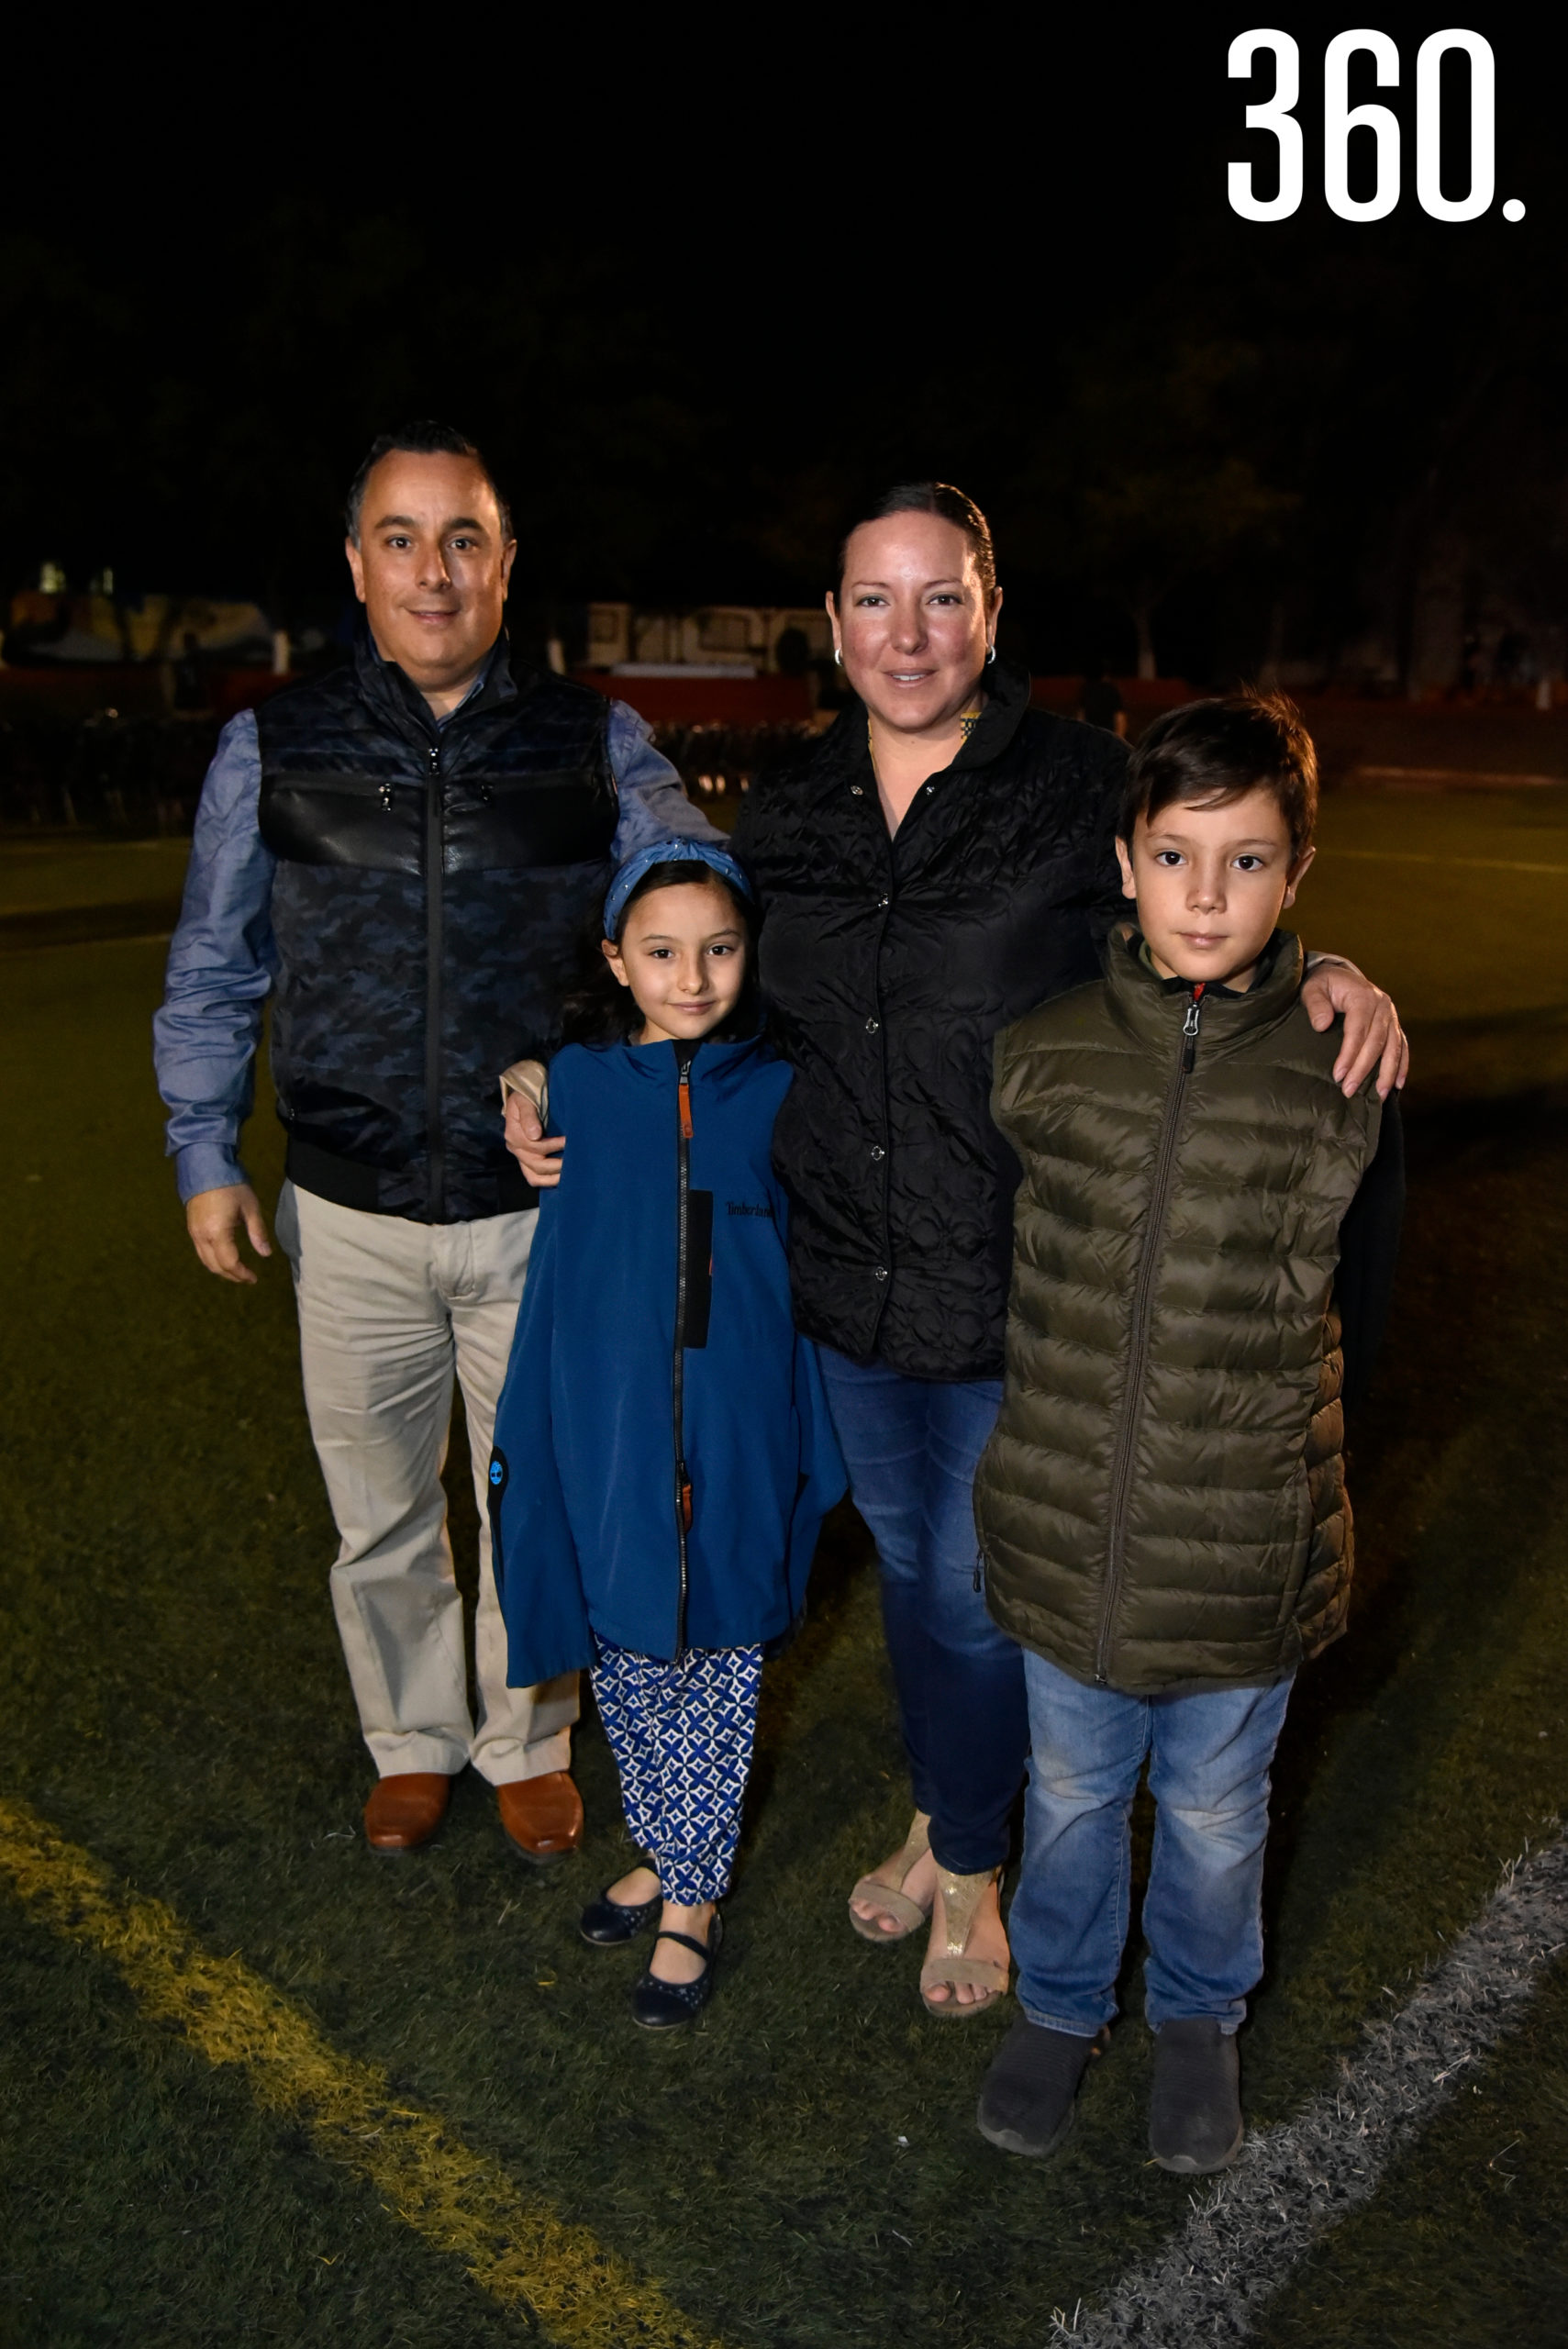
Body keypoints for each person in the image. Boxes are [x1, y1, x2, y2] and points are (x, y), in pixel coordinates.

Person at [508, 484, 1407, 2014]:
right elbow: (697, 979)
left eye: (940, 597)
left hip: (1024, 1283)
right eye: (873, 598)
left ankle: (971, 1864)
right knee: (919, 1571)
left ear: (991, 609)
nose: (906, 632)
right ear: (834, 620)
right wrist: (550, 1074)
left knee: (980, 1591)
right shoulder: (788, 807)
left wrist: (1327, 972)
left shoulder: (1073, 784)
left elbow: (1202, 882)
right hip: (840, 1280)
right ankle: (948, 1814)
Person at [152, 419, 719, 1861]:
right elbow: (216, 965)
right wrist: (203, 1151)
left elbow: (691, 884)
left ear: (506, 566)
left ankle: (524, 1733)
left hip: (540, 1208)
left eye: (462, 537)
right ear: (355, 565)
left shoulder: (593, 740)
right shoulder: (269, 742)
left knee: (533, 1499)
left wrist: (613, 1036)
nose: (431, 569)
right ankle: (410, 1736)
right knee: (380, 1514)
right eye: (399, 538)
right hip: (346, 1210)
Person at [971, 693, 1403, 2170]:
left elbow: (1372, 1305)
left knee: (1215, 1810)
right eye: (1173, 855)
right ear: (1123, 859)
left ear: (1295, 877)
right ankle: (1063, 1999)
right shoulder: (1041, 1053)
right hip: (1066, 1525)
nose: (1205, 895)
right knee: (1075, 1790)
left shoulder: (1345, 1075)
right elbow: (1005, 1285)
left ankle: (1197, 2018)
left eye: (1246, 861)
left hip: (1237, 1544)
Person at [488, 841, 844, 2027]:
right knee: (632, 1641)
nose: (691, 977)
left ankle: (692, 1892)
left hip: (738, 1413)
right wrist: (522, 1082)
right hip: (611, 1414)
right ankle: (664, 1842)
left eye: (718, 949)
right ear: (614, 959)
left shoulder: (783, 1087)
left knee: (719, 1645)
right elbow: (533, 1090)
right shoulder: (583, 1085)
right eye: (660, 952)